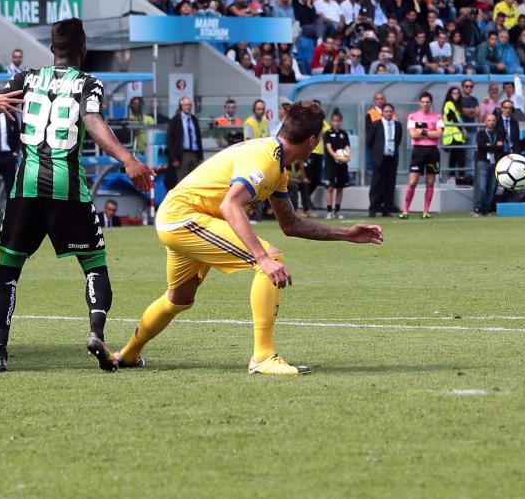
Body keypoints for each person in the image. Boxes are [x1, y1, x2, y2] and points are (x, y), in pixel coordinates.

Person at [115, 102, 383, 375]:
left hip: (182, 216)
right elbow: (230, 206)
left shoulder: (277, 167)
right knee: (271, 258)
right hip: (184, 218)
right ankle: (263, 357)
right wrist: (263, 258)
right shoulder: (265, 159)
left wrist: (346, 234)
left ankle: (128, 354)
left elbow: (290, 224)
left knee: (179, 298)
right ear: (312, 140)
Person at [0, 18, 153, 373]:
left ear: (51, 49)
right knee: (94, 265)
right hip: (67, 187)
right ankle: (96, 334)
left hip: (25, 186)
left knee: (7, 272)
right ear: (83, 49)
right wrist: (128, 159)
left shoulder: (25, 78)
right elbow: (92, 120)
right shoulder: (89, 82)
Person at [400, 92, 443, 219]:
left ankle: (425, 211)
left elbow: (439, 135)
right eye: (423, 102)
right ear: (420, 103)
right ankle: (405, 210)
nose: (425, 104)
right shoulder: (413, 116)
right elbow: (413, 134)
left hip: (432, 151)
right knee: (412, 182)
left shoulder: (437, 117)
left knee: (430, 182)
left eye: (427, 102)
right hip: (418, 151)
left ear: (431, 103)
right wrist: (430, 132)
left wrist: (422, 132)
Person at [367, 103, 401, 217]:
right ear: (382, 113)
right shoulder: (376, 125)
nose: (388, 113)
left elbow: (398, 141)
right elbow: (369, 141)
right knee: (376, 184)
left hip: (391, 158)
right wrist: (375, 153)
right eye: (386, 111)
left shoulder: (397, 125)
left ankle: (386, 209)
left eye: (390, 111)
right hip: (379, 158)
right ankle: (373, 208)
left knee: (389, 184)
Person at [166, 96, 203, 187]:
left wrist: (200, 157)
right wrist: (173, 158)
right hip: (182, 155)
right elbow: (170, 140)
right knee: (182, 182)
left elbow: (198, 138)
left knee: (195, 181)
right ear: (181, 106)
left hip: (194, 154)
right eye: (186, 105)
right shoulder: (175, 120)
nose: (188, 107)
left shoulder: (194, 119)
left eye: (190, 105)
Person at [322, 109, 350, 219]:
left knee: (340, 188)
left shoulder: (344, 134)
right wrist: (336, 156)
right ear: (331, 122)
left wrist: (348, 156)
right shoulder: (328, 133)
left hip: (342, 165)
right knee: (330, 188)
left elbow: (347, 147)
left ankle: (337, 211)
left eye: (338, 121)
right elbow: (328, 147)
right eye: (334, 121)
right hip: (331, 164)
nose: (336, 123)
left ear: (341, 121)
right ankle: (329, 211)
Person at [474, 113, 503, 215]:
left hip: (494, 162)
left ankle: (486, 209)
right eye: (489, 120)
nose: (491, 122)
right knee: (481, 187)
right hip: (483, 162)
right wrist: (494, 146)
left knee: (492, 187)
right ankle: (478, 208)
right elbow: (482, 146)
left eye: (493, 120)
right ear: (485, 122)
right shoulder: (481, 133)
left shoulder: (498, 133)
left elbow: (501, 147)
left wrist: (490, 145)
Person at [441, 86, 465, 182]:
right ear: (450, 95)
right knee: (456, 157)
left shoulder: (456, 105)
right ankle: (454, 177)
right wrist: (462, 129)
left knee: (458, 157)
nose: (456, 95)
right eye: (454, 93)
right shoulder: (449, 103)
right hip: (452, 135)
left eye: (458, 93)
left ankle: (457, 177)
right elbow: (453, 118)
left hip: (457, 135)